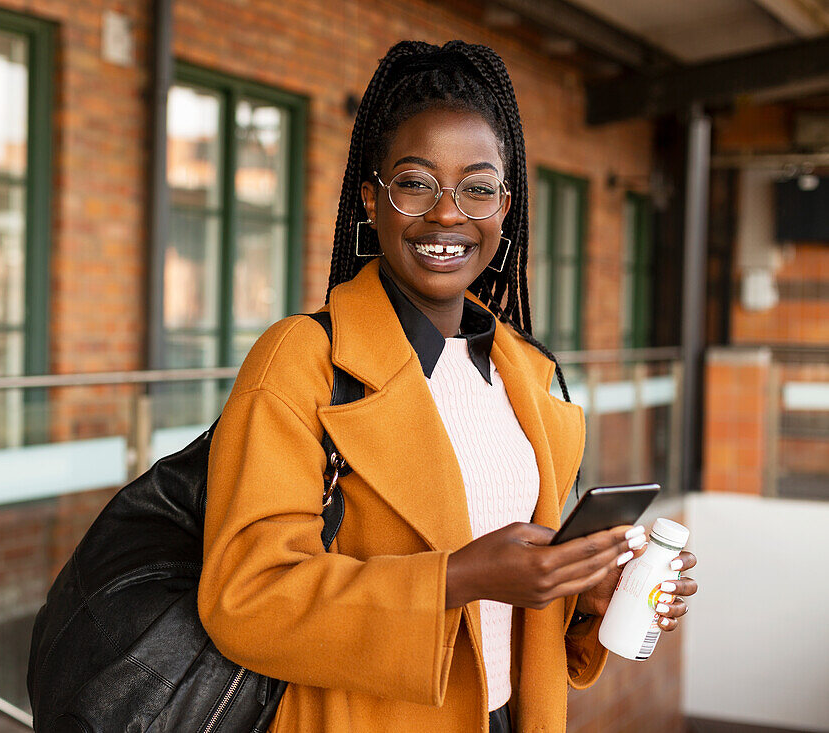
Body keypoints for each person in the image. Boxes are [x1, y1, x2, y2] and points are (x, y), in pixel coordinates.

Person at [198, 40, 697, 733]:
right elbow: (246, 600)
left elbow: (516, 615)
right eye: (415, 182)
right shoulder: (303, 360)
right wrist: (459, 576)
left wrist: (590, 591)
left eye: (477, 186)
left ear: (506, 206)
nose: (447, 214)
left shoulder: (525, 372)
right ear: (372, 199)